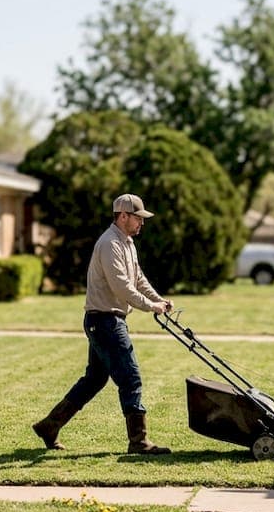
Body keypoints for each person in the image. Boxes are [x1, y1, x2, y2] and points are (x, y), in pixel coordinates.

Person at [32, 194, 174, 455]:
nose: (141, 223)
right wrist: (149, 306)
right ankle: (139, 441)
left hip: (107, 320)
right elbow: (122, 286)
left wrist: (158, 299)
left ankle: (49, 426)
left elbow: (138, 278)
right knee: (130, 378)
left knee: (94, 380)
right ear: (123, 216)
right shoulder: (109, 244)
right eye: (138, 218)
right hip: (105, 320)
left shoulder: (127, 243)